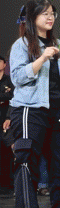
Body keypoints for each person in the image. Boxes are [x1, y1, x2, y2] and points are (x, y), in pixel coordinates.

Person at [9, 0, 60, 208]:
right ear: (32, 17)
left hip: (59, 110)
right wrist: (42, 58)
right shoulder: (22, 44)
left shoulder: (59, 45)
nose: (50, 17)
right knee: (27, 160)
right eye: (44, 13)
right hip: (31, 109)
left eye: (52, 13)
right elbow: (17, 78)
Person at [0, 55, 15, 193]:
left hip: (6, 117)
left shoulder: (10, 80)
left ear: (5, 64)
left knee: (12, 146)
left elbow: (13, 98)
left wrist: (9, 117)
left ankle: (15, 182)